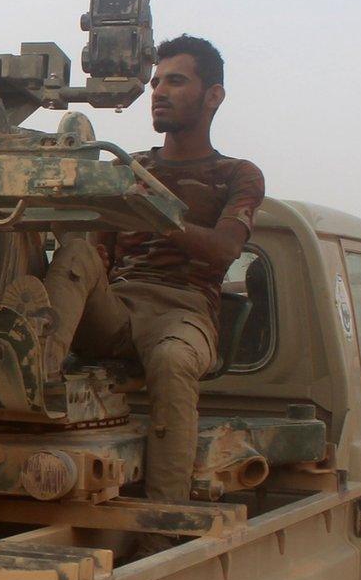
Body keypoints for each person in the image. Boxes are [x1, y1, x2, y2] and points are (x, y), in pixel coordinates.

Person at [40, 35, 265, 502]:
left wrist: (154, 214)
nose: (158, 92)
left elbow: (225, 249)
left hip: (183, 316)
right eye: (156, 81)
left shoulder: (237, 174)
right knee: (77, 254)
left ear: (213, 96)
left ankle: (164, 524)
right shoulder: (132, 168)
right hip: (121, 308)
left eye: (176, 81)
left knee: (172, 362)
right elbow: (97, 257)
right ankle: (38, 381)